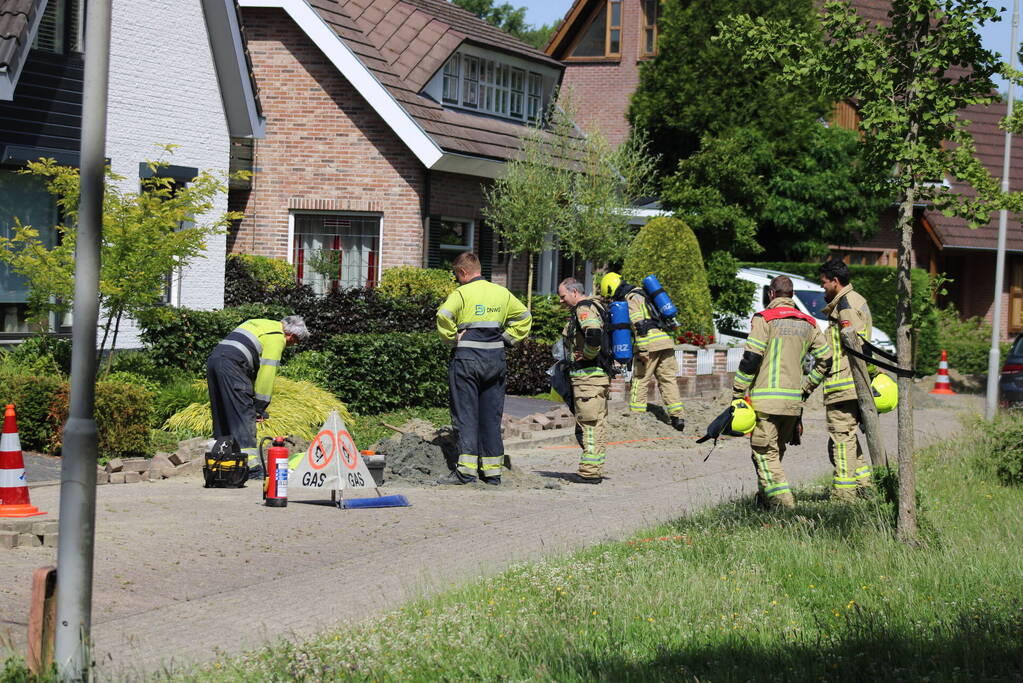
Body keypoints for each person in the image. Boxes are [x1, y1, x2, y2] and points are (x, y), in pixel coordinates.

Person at [732, 275, 832, 509]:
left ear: (771, 294)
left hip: (765, 404)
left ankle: (785, 506)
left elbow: (751, 359)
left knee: (764, 455)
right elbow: (826, 359)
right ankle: (764, 502)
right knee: (774, 455)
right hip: (792, 405)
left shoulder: (763, 319)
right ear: (792, 295)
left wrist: (737, 392)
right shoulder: (808, 322)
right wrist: (806, 389)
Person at [435, 252, 531, 486]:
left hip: (467, 361)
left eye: (457, 275)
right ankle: (492, 472)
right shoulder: (501, 292)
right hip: (495, 360)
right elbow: (525, 317)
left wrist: (452, 339)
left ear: (463, 272)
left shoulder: (462, 293)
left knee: (466, 415)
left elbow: (443, 315)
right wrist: (507, 339)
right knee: (491, 416)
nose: (458, 279)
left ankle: (466, 472)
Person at [806, 259, 876, 500]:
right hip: (851, 384)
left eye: (824, 283)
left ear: (835, 282)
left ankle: (844, 493)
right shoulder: (854, 300)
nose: (822, 288)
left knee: (841, 438)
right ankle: (865, 486)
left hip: (843, 384)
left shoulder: (845, 306)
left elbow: (855, 345)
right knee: (847, 437)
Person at [206, 315, 308, 468]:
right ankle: (251, 467)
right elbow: (267, 372)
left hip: (214, 361)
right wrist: (259, 407)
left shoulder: (261, 324)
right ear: (291, 335)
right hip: (232, 365)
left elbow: (251, 365)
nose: (290, 346)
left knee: (223, 415)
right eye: (293, 343)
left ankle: (222, 464)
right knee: (243, 415)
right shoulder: (277, 337)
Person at [600, 272, 685, 431]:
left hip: (650, 344)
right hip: (665, 341)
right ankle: (677, 417)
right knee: (668, 380)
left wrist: (643, 349)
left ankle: (636, 417)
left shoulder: (630, 298)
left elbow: (640, 325)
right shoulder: (643, 292)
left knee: (640, 379)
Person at [559, 277, 611, 484]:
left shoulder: (584, 308)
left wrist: (588, 354)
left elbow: (594, 332)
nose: (561, 301)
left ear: (574, 292)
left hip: (588, 378)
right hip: (598, 377)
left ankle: (589, 473)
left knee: (588, 425)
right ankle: (594, 468)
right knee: (597, 424)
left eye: (563, 296)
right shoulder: (598, 306)